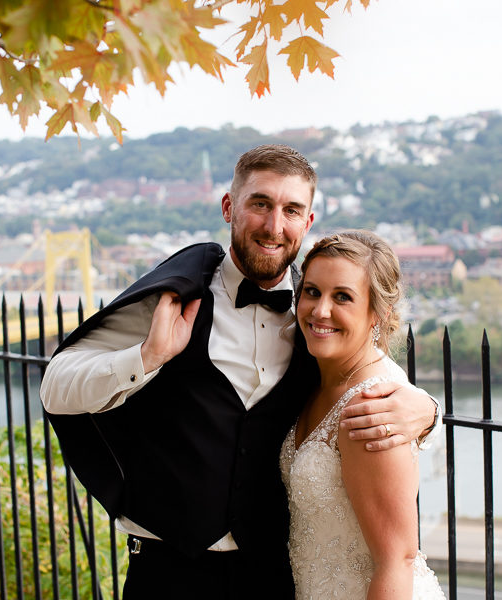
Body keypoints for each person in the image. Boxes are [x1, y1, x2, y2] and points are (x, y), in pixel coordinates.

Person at [40, 145, 440, 599]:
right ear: (229, 206)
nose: (274, 226)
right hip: (167, 572)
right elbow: (55, 388)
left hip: (274, 578)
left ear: (307, 223)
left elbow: (367, 381)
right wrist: (147, 358)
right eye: (260, 204)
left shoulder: (317, 322)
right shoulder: (172, 297)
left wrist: (428, 408)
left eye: (291, 210)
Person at [280, 230, 445, 599]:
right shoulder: (317, 377)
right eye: (312, 292)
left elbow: (397, 560)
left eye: (343, 297)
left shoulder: (373, 405)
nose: (320, 310)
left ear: (378, 313)